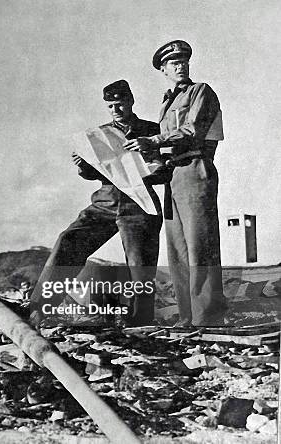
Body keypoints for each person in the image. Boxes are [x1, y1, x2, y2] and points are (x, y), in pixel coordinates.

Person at [30, 80, 162, 327]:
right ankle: (40, 308)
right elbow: (96, 173)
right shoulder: (99, 135)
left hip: (140, 203)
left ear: (131, 101)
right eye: (111, 106)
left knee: (140, 265)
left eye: (120, 104)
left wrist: (151, 159)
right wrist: (83, 167)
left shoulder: (153, 130)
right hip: (106, 200)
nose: (116, 110)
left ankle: (140, 323)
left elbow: (165, 170)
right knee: (69, 240)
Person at [124, 40, 226, 326]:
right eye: (173, 63)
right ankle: (187, 316)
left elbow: (193, 129)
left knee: (200, 245)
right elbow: (164, 144)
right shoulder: (167, 102)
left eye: (183, 61)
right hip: (173, 175)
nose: (180, 66)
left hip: (195, 168)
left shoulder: (200, 92)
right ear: (163, 70)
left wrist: (154, 139)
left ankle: (208, 317)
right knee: (178, 250)